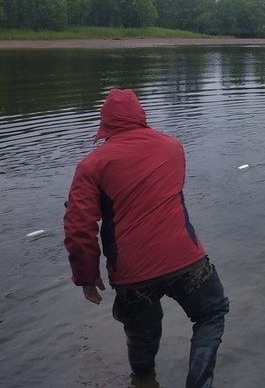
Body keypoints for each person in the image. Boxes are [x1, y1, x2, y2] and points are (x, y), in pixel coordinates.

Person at [64, 88, 229, 388]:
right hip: (186, 261)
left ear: (106, 123)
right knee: (211, 313)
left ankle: (143, 379)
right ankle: (200, 384)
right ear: (141, 115)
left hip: (132, 275)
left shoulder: (91, 165)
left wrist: (86, 277)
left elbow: (79, 227)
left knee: (142, 334)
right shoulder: (173, 147)